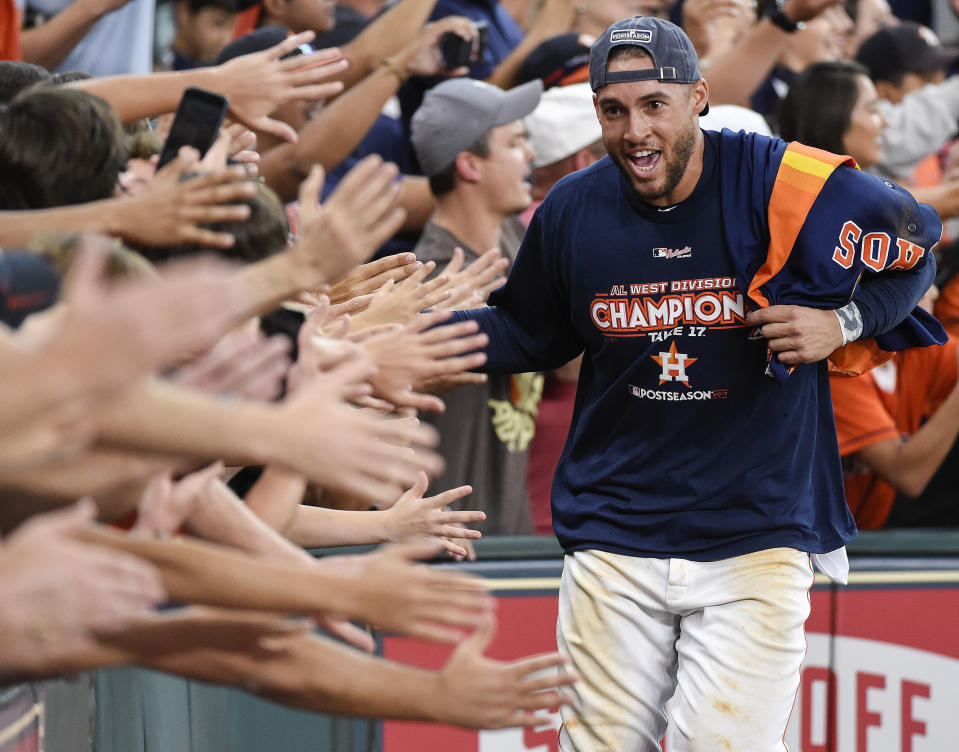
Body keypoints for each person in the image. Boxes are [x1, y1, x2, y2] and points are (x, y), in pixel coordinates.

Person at [450, 15, 943, 751]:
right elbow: (528, 332)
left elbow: (915, 247)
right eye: (613, 111)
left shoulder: (784, 180)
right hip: (616, 527)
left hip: (756, 528)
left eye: (654, 104)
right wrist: (406, 339)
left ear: (698, 97)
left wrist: (841, 322)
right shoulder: (572, 210)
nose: (634, 130)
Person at [409, 76, 542, 535]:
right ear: (469, 165)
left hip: (515, 542)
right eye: (516, 142)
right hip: (454, 548)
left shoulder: (516, 241)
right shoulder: (429, 286)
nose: (531, 156)